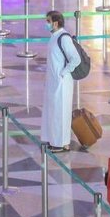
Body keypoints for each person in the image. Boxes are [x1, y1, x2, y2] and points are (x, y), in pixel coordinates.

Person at [42, 10, 81, 153]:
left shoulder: (64, 38)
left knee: (60, 112)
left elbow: (75, 59)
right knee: (53, 111)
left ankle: (61, 143)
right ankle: (56, 140)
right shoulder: (54, 36)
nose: (46, 24)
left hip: (62, 82)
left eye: (48, 21)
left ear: (55, 23)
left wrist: (63, 73)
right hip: (53, 81)